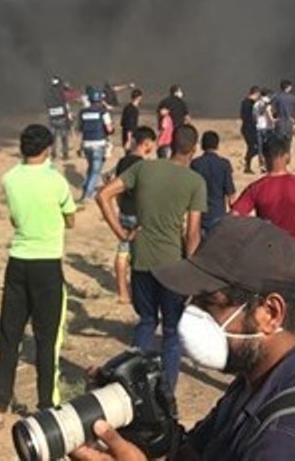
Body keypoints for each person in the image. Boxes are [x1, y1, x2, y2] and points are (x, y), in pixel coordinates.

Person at [71, 217, 295, 461]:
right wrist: (150, 427)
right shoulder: (259, 379)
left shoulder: (289, 440)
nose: (191, 314)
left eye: (210, 302)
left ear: (270, 313)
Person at [95, 124, 205, 393]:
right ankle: (166, 394)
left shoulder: (143, 168)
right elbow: (192, 234)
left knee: (146, 322)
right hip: (172, 265)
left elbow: (103, 195)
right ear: (194, 149)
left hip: (142, 258)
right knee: (171, 332)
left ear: (170, 143)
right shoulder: (194, 182)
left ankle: (130, 388)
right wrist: (193, 271)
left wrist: (122, 233)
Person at [0, 125, 76, 432]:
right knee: (47, 340)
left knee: (9, 338)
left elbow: (15, 218)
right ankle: (46, 407)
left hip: (18, 263)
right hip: (47, 266)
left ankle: (0, 406)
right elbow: (71, 219)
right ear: (48, 148)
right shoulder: (57, 181)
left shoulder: (9, 179)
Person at [231, 135, 295, 277]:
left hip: (267, 256)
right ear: (287, 156)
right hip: (294, 255)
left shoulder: (256, 188)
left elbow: (234, 217)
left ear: (264, 157)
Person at [108, 126, 157, 304]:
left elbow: (117, 188)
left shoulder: (122, 161)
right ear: (147, 143)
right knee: (143, 254)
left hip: (125, 211)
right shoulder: (143, 165)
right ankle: (142, 290)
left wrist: (121, 206)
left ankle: (122, 292)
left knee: (123, 251)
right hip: (139, 213)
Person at [191, 131, 237, 237]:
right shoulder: (224, 164)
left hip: (199, 216)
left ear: (202, 145)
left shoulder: (195, 164)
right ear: (217, 145)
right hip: (218, 215)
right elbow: (231, 195)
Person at [78, 88, 114, 201]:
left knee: (91, 167)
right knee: (96, 170)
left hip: (86, 144)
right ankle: (88, 194)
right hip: (99, 143)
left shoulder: (83, 112)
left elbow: (80, 128)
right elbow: (109, 128)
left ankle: (85, 187)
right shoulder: (103, 111)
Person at [45, 76, 73, 161]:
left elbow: (47, 104)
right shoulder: (62, 93)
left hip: (52, 118)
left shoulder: (48, 93)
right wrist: (69, 119)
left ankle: (53, 154)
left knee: (53, 137)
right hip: (62, 118)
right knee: (64, 137)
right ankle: (65, 154)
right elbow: (65, 105)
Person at [239, 86, 261, 174]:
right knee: (255, 147)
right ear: (256, 93)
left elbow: (242, 116)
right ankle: (246, 162)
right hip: (250, 128)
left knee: (252, 147)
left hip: (246, 128)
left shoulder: (244, 102)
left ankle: (247, 165)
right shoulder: (252, 104)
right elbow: (253, 117)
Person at [271, 79, 295, 144]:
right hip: (289, 123)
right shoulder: (293, 98)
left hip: (279, 123)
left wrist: (273, 118)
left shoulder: (276, 97)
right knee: (287, 143)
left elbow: (271, 108)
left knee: (278, 143)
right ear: (289, 87)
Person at [253, 90, 275, 168]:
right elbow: (272, 113)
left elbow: (254, 116)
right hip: (268, 127)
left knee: (260, 147)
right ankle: (268, 164)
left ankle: (261, 164)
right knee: (269, 147)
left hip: (259, 127)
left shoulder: (256, 104)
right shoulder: (269, 103)